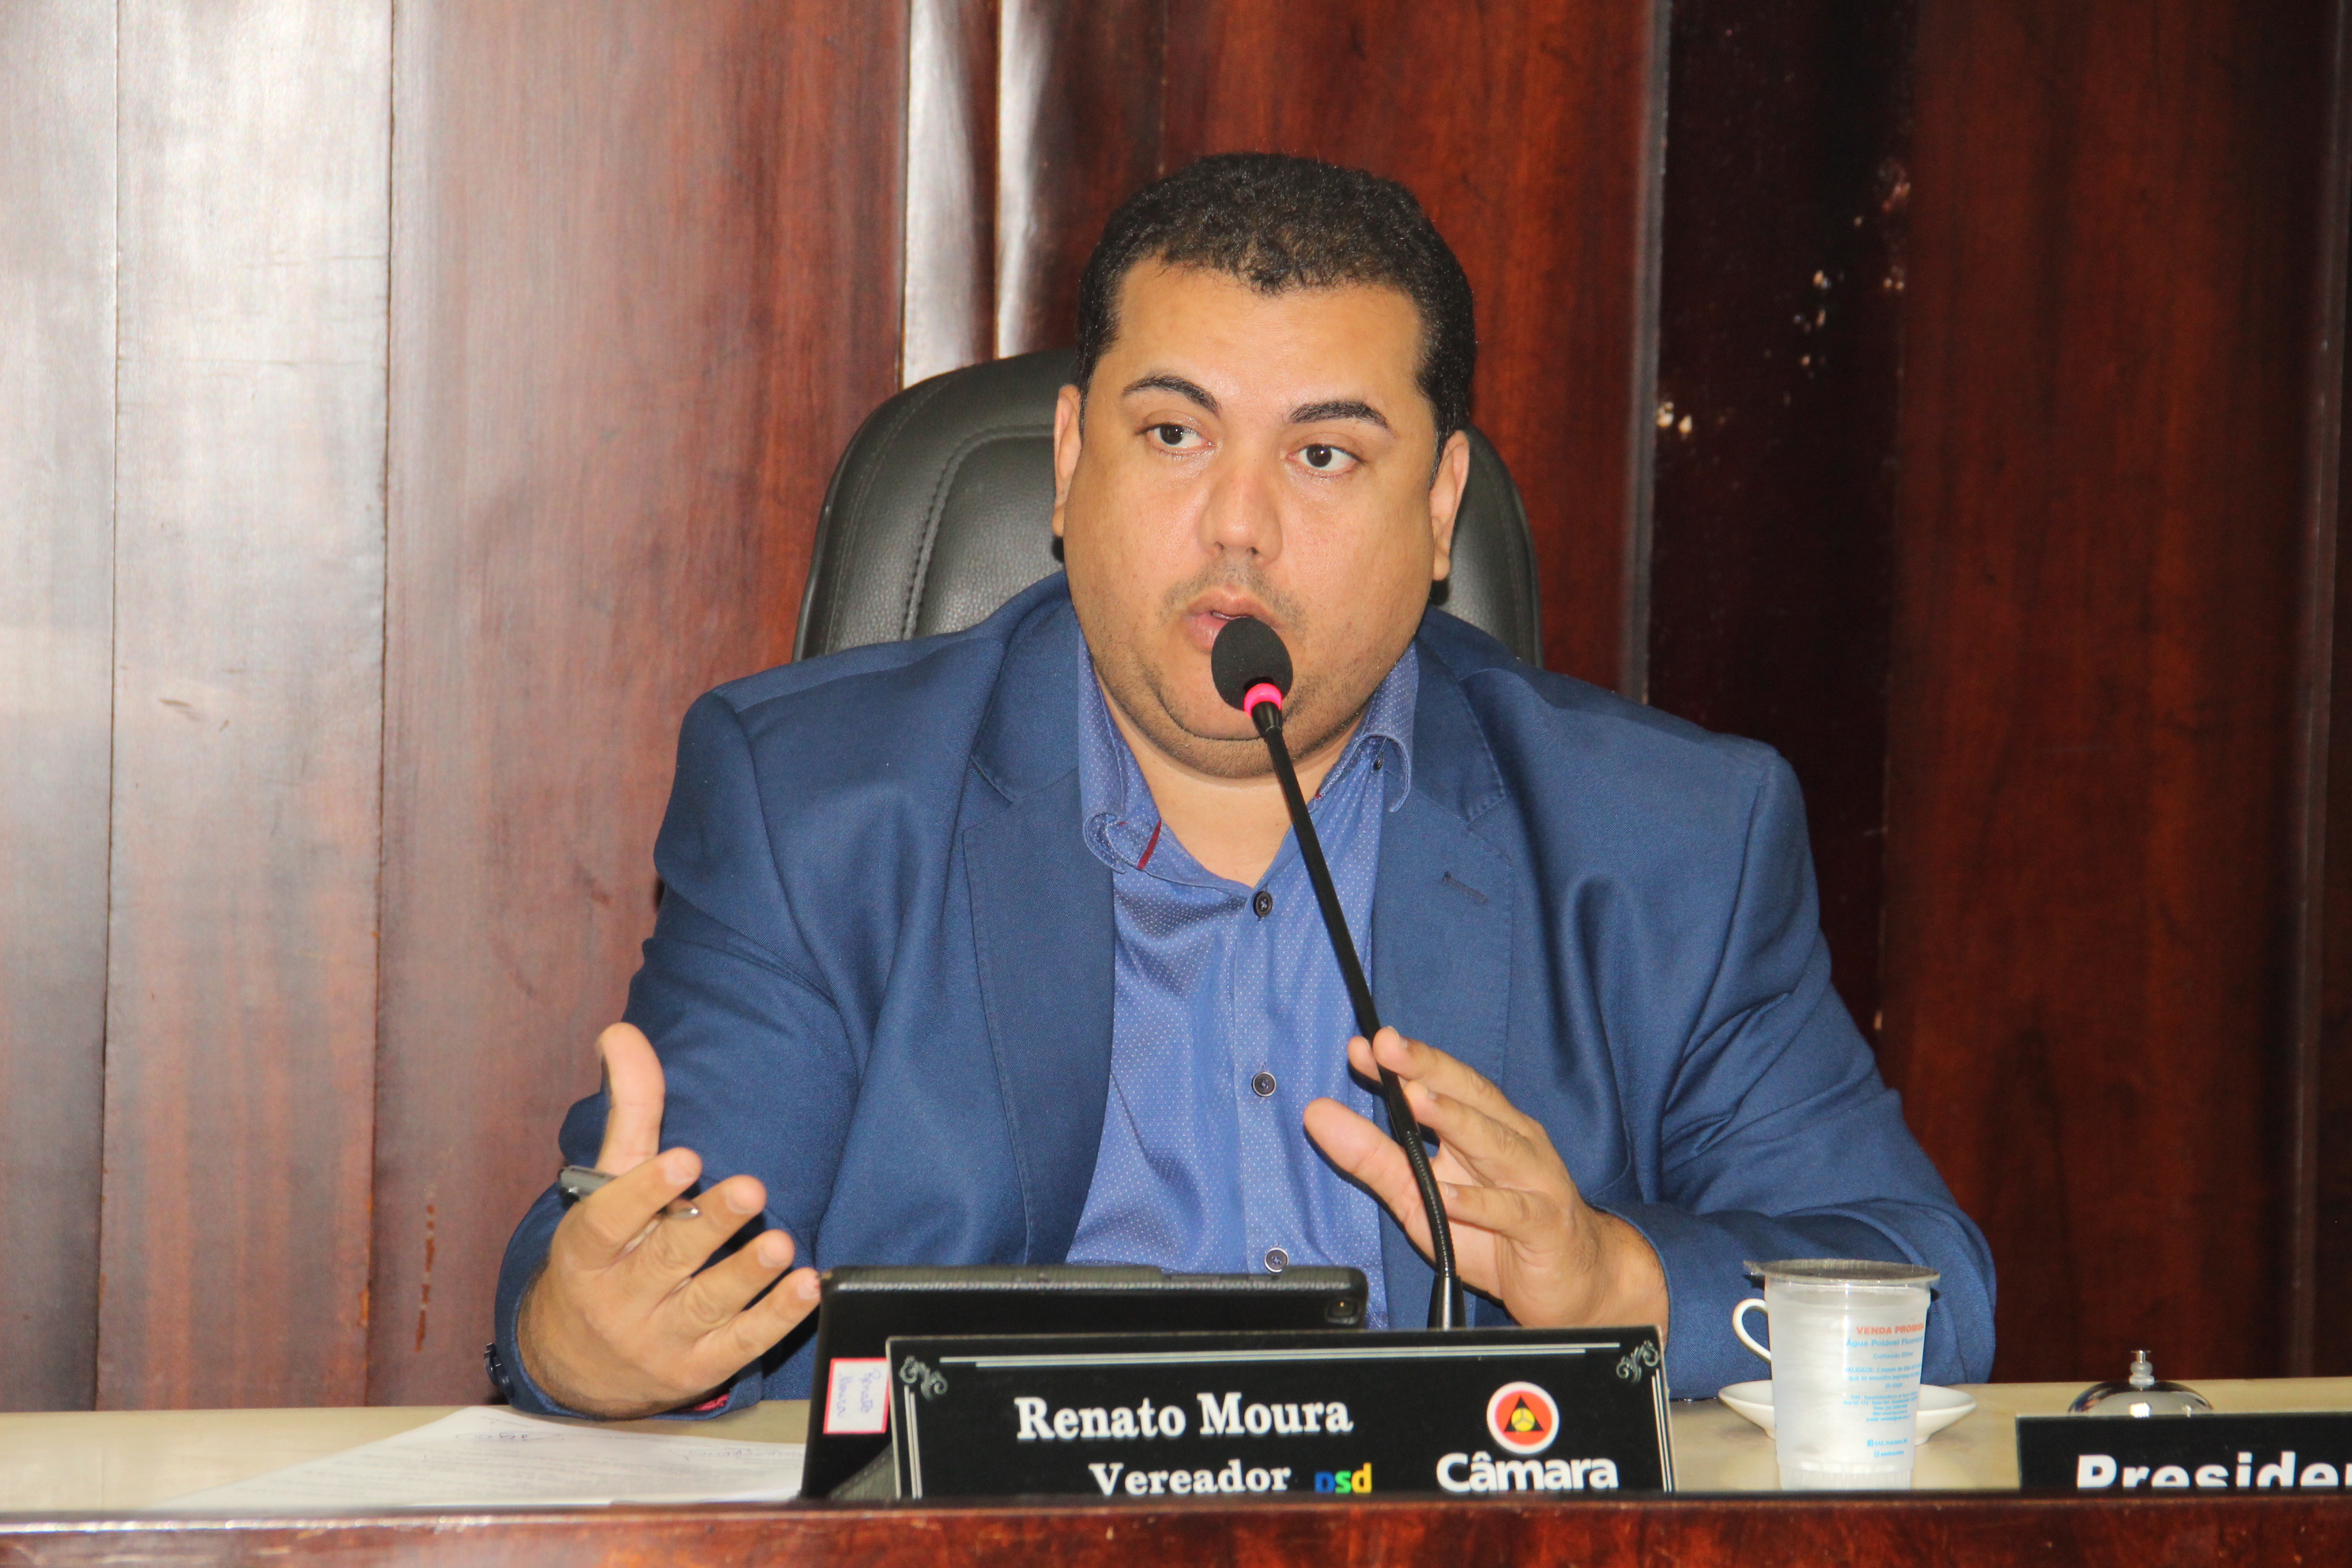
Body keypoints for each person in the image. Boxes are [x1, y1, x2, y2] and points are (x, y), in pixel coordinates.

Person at [493, 152, 1995, 1421]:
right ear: (1069, 463)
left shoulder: (1669, 841)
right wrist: (587, 1339)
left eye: (1325, 456)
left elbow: (1932, 1301)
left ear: (1440, 508)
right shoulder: (816, 807)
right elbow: (625, 1270)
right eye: (1173, 434)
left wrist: (1623, 1285)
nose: (1238, 526)